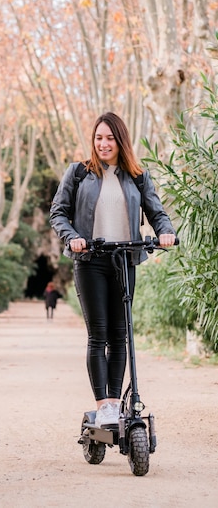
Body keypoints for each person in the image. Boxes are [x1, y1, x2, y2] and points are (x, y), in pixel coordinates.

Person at [49, 113, 176, 428]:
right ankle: (103, 405)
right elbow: (58, 213)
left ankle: (116, 403)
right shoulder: (79, 173)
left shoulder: (138, 176)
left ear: (121, 141)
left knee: (121, 336)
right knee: (99, 335)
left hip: (124, 259)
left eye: (110, 138)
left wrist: (165, 231)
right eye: (98, 138)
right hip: (91, 260)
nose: (103, 144)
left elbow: (157, 212)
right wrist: (73, 237)